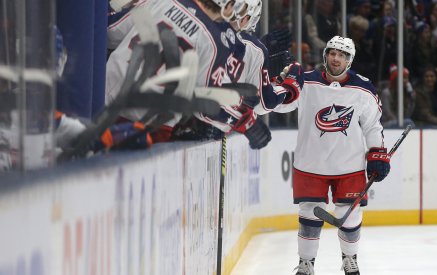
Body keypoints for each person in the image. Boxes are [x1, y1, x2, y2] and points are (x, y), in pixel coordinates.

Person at [274, 36, 389, 275]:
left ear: (350, 60)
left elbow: (372, 126)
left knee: (350, 215)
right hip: (310, 163)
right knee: (308, 214)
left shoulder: (363, 87)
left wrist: (377, 154)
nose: (336, 58)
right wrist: (278, 81)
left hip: (350, 165)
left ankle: (350, 258)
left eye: (342, 55)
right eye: (332, 53)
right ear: (325, 54)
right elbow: (279, 105)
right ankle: (306, 264)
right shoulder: (305, 81)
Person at [105, 0, 271, 149]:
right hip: (148, 130)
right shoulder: (214, 43)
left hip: (102, 106)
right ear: (226, 6)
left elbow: (110, 31)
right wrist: (246, 121)